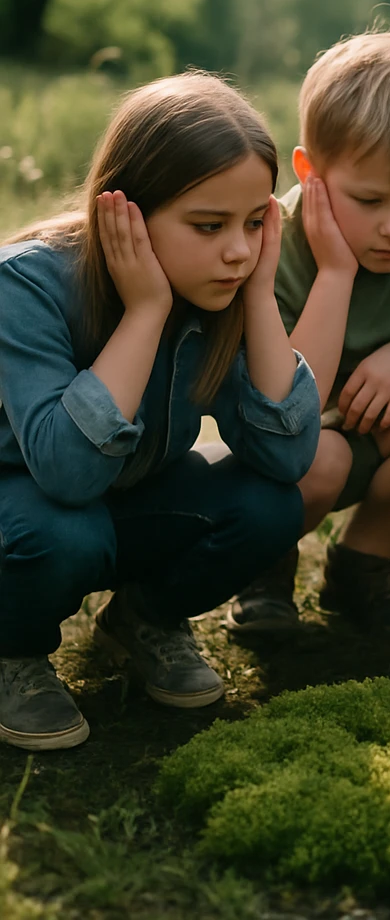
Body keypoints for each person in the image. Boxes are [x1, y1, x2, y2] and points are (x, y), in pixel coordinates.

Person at [0, 73, 322, 751]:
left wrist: (261, 298)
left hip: (116, 503)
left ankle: (142, 621)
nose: (237, 249)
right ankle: (12, 654)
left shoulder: (226, 287)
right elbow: (67, 474)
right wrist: (145, 311)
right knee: (67, 534)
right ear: (127, 212)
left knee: (271, 505)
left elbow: (287, 457)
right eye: (209, 225)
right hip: (30, 516)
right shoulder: (25, 283)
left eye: (253, 222)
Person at [224, 31, 390, 638]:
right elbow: (281, 402)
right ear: (309, 172)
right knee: (323, 457)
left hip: (378, 430)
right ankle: (263, 567)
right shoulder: (272, 239)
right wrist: (336, 273)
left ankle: (362, 565)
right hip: (283, 449)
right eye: (368, 199)